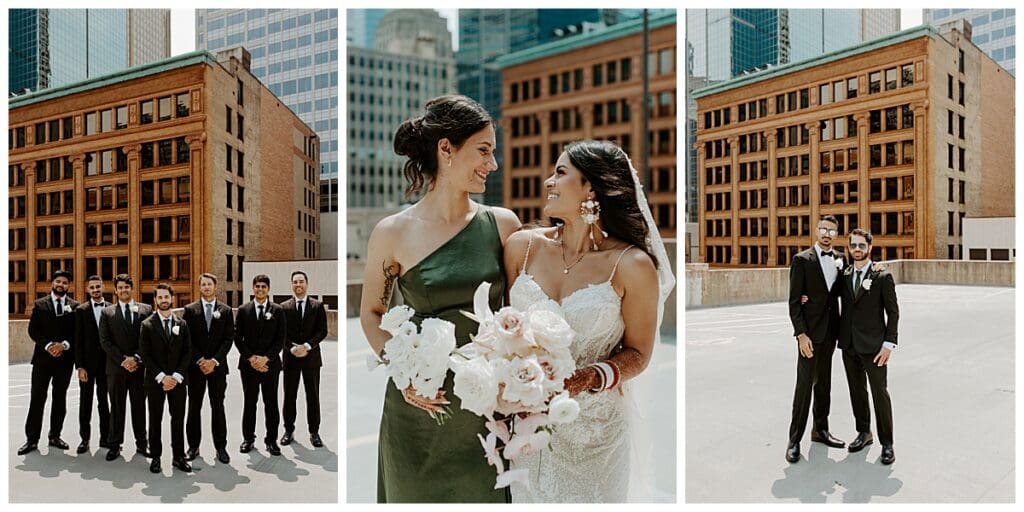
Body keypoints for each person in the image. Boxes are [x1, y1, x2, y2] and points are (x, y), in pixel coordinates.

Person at [359, 94, 520, 503]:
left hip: (484, 412)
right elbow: (372, 313)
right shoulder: (392, 232)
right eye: (483, 150)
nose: (493, 164)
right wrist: (405, 375)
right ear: (446, 148)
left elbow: (522, 317)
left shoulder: (503, 225)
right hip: (416, 410)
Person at [503, 140, 673, 503]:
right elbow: (501, 329)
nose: (548, 181)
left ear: (590, 189)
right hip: (528, 432)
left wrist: (588, 378)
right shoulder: (521, 247)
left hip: (597, 438)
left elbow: (639, 354)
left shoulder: (632, 265)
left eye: (561, 173)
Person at [785, 215, 847, 463]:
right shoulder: (801, 260)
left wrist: (874, 268)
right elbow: (794, 302)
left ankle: (820, 430)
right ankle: (794, 440)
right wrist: (801, 335)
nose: (827, 234)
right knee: (804, 387)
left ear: (836, 235)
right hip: (809, 335)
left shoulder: (841, 258)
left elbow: (841, 291)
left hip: (830, 333)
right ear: (816, 230)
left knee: (824, 385)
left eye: (831, 231)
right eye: (823, 229)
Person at [836, 228, 899, 465]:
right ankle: (864, 433)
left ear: (869, 248)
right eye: (853, 245)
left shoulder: (882, 276)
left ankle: (887, 444)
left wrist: (888, 344)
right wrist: (804, 298)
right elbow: (827, 295)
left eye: (862, 245)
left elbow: (893, 312)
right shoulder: (844, 275)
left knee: (879, 393)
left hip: (875, 347)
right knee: (857, 392)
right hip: (849, 344)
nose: (857, 249)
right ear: (849, 248)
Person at [19, 269, 79, 455]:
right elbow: (33, 330)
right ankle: (32, 439)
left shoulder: (75, 306)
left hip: (64, 361)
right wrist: (48, 345)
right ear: (52, 283)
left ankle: (55, 436)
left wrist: (64, 345)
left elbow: (77, 332)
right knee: (37, 398)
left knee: (60, 399)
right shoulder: (39, 304)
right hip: (42, 361)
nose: (61, 285)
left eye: (65, 282)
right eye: (58, 281)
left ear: (69, 286)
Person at [181, 273, 235, 464]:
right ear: (200, 287)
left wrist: (214, 361)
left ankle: (221, 447)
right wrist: (200, 360)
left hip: (217, 369)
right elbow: (187, 339)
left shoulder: (226, 311)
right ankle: (193, 446)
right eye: (203, 284)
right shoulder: (190, 310)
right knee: (194, 407)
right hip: (196, 369)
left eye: (209, 284)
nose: (206, 287)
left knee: (217, 407)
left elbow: (228, 339)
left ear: (215, 286)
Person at [139, 283, 192, 473]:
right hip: (156, 381)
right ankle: (156, 457)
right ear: (155, 300)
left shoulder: (182, 324)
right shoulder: (147, 325)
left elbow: (187, 352)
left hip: (178, 381)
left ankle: (178, 457)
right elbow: (145, 354)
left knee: (178, 419)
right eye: (160, 297)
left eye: (166, 297)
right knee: (155, 420)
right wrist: (162, 377)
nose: (163, 300)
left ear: (172, 298)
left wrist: (176, 376)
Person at [98, 273, 151, 461]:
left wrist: (136, 358)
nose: (123, 290)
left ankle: (142, 443)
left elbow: (148, 339)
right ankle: (114, 445)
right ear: (115, 291)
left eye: (126, 287)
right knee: (116, 408)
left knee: (139, 407)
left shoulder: (146, 310)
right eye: (120, 287)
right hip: (116, 369)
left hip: (139, 369)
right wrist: (123, 360)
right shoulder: (107, 313)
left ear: (132, 288)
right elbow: (105, 341)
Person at [235, 274, 286, 456]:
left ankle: (271, 440)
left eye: (263, 286)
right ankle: (248, 439)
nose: (260, 289)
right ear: (253, 288)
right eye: (257, 286)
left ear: (268, 289)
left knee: (271, 404)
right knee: (250, 403)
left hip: (270, 366)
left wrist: (266, 358)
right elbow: (237, 338)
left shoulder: (278, 310)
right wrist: (251, 358)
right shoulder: (243, 310)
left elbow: (281, 338)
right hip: (248, 366)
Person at [280, 270, 329, 448]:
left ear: (306, 284)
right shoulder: (284, 307)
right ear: (291, 285)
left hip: (311, 358)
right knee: (289, 396)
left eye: (301, 281)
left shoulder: (317, 306)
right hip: (291, 358)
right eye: (295, 282)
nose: (298, 284)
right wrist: (292, 348)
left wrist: (307, 346)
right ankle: (288, 430)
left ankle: (314, 432)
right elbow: (281, 332)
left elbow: (322, 331)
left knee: (313, 396)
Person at [73, 275, 112, 454]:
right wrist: (80, 366)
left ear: (103, 287)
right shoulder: (81, 310)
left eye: (98, 286)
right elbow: (77, 340)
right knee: (85, 402)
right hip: (87, 366)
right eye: (92, 287)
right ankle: (85, 439)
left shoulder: (111, 308)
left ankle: (106, 438)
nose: (95, 290)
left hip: (106, 365)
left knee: (104, 402)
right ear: (88, 290)